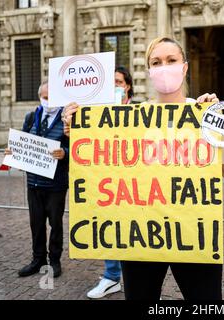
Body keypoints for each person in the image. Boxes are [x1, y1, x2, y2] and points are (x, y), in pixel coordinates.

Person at [62, 37, 224, 300]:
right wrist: (77, 126)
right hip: (141, 236)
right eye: (156, 62)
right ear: (149, 71)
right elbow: (101, 161)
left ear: (184, 67)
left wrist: (219, 124)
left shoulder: (203, 114)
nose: (164, 67)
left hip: (192, 235)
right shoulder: (131, 118)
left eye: (171, 61)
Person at [5, 81, 68, 278]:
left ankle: (55, 261)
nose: (48, 101)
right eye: (45, 97)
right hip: (33, 182)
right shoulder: (31, 117)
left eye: (52, 97)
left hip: (55, 183)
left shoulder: (67, 120)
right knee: (36, 223)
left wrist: (64, 152)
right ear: (40, 96)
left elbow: (75, 147)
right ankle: (37, 259)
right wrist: (12, 152)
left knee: (55, 224)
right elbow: (23, 141)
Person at [85, 66, 136, 299]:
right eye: (111, 83)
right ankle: (112, 276)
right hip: (108, 183)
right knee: (111, 228)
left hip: (137, 184)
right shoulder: (98, 113)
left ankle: (135, 277)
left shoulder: (140, 111)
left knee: (135, 230)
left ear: (127, 87)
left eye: (118, 82)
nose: (115, 86)